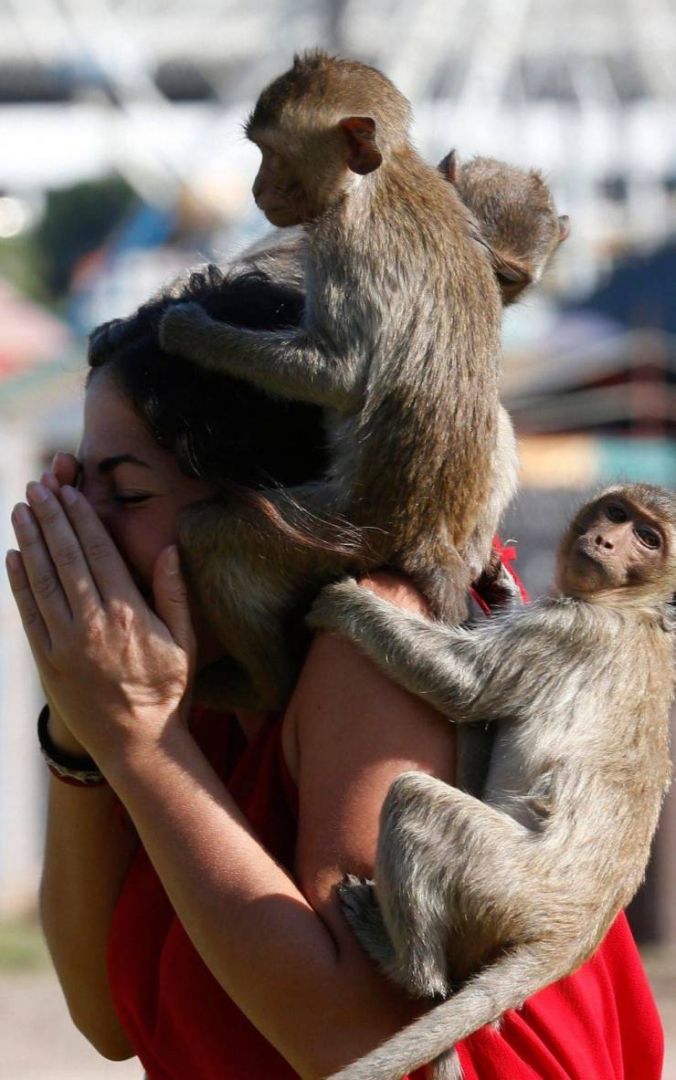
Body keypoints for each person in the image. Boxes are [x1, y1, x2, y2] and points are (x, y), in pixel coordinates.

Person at [7, 264, 663, 1080]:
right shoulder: (216, 684)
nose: (79, 529)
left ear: (263, 512)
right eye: (75, 485)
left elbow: (368, 1050)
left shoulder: (378, 641)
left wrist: (137, 742)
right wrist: (83, 728)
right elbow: (106, 1013)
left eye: (125, 496)